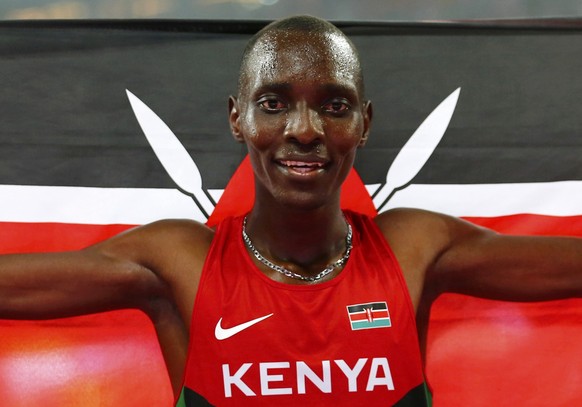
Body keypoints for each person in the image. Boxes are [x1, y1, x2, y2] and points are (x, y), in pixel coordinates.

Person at [1, 15, 582, 407]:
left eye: (334, 105)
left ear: (364, 123)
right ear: (238, 119)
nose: (304, 131)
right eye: (274, 104)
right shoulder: (179, 260)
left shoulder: (413, 249)